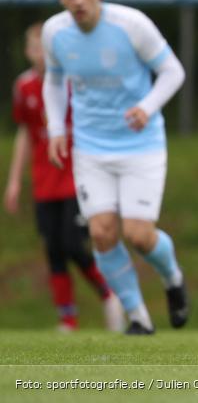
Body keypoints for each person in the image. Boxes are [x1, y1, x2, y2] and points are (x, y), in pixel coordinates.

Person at [41, 0, 188, 335]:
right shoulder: (54, 33)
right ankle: (138, 317)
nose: (78, 1)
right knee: (103, 233)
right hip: (90, 147)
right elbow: (54, 83)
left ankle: (172, 277)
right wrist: (57, 128)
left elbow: (173, 72)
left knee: (138, 235)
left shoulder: (131, 25)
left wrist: (147, 106)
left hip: (142, 144)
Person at [4, 23, 124, 332]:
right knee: (53, 249)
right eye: (34, 48)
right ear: (28, 52)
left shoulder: (73, 82)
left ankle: (108, 293)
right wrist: (15, 181)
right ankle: (67, 318)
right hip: (44, 181)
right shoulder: (24, 87)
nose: (39, 54)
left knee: (73, 244)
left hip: (76, 177)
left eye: (45, 48)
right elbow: (26, 135)